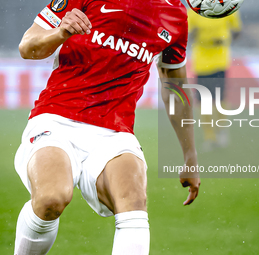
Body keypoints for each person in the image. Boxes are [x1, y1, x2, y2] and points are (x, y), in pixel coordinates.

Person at [14, 0, 200, 254]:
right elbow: (27, 47)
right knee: (51, 199)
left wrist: (190, 156)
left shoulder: (175, 14)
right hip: (57, 118)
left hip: (115, 131)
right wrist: (60, 33)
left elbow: (176, 90)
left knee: (133, 201)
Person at [187, 10, 242, 151]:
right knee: (203, 102)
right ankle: (209, 137)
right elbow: (187, 35)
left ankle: (221, 130)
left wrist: (224, 38)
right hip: (201, 63)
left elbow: (237, 31)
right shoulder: (194, 11)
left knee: (219, 99)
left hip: (219, 60)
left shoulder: (227, 8)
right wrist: (195, 33)